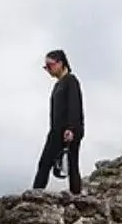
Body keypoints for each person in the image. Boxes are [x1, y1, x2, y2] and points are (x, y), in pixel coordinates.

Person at [32, 49, 84, 194]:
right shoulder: (58, 84)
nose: (48, 70)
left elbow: (74, 105)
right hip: (56, 130)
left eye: (50, 65)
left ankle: (76, 196)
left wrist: (71, 129)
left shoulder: (71, 81)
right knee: (46, 162)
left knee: (71, 163)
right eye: (45, 67)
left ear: (60, 63)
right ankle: (36, 193)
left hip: (68, 130)